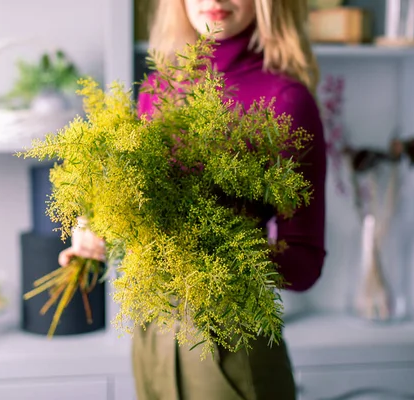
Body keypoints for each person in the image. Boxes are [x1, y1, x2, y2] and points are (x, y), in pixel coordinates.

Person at [59, 0, 326, 398]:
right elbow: (142, 205)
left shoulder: (287, 100)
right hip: (153, 332)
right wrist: (100, 227)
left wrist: (215, 250)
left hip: (229, 341)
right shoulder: (159, 89)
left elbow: (304, 264)